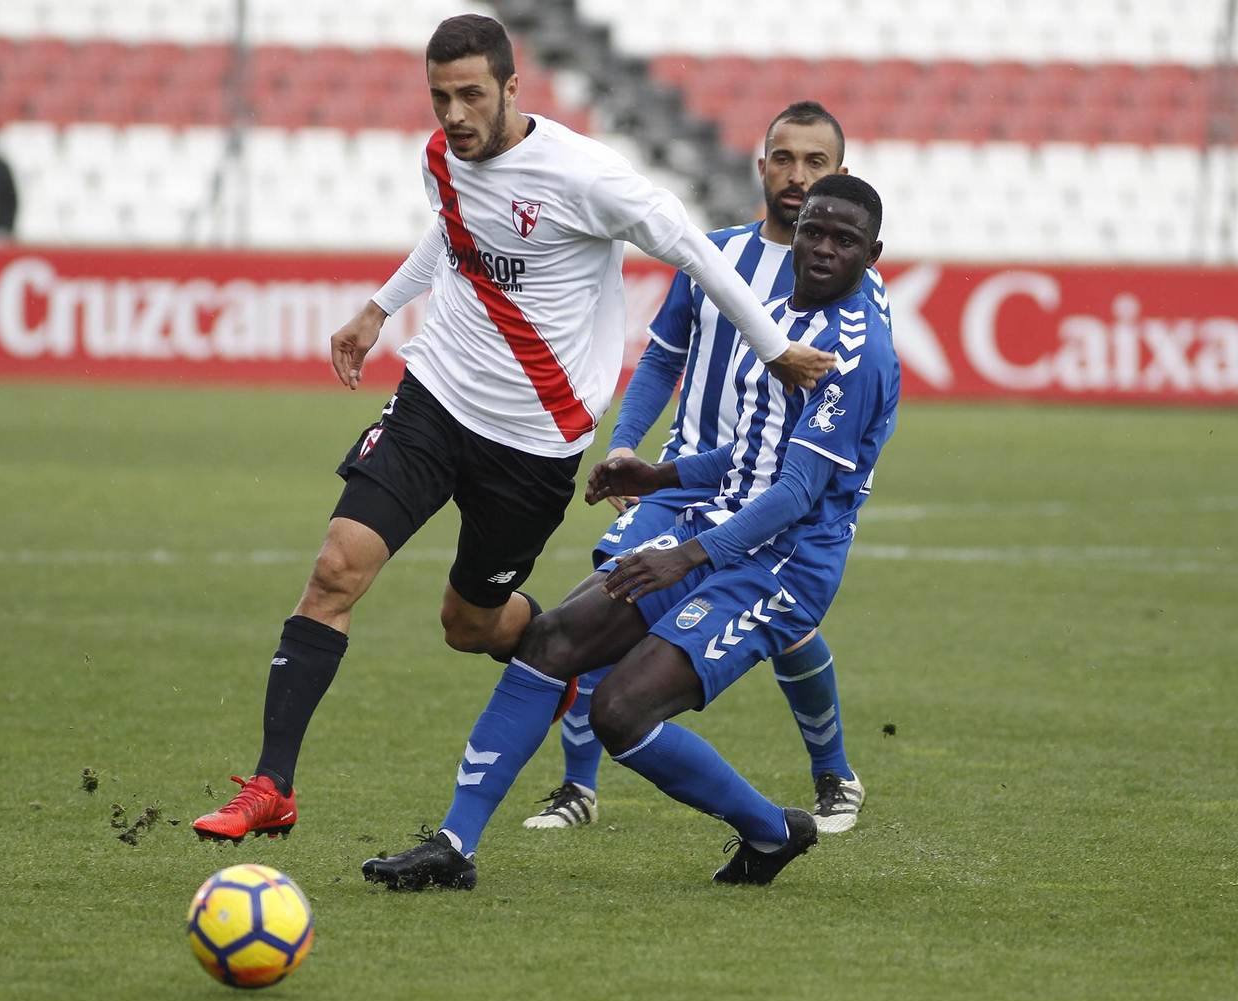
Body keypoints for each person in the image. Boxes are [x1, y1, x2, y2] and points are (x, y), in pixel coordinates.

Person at [192, 14, 834, 843]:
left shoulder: (584, 176)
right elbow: (453, 227)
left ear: (510, 89)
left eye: (470, 96)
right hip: (436, 395)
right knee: (335, 569)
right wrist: (379, 309)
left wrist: (775, 347)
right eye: (439, 97)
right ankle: (272, 785)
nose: (453, 115)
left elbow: (693, 250)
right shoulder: (442, 158)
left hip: (532, 444)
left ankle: (559, 650)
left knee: (470, 627)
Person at [363, 174, 898, 890]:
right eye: (815, 232)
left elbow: (798, 492)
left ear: (873, 253)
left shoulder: (858, 350)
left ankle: (772, 832)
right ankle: (453, 845)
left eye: (846, 240)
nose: (825, 248)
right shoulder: (774, 315)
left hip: (781, 567)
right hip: (718, 528)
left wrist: (687, 555)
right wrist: (659, 477)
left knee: (620, 712)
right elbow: (751, 458)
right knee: (553, 642)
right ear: (795, 233)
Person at [524, 101, 884, 834]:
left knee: (785, 630)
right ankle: (577, 786)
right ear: (761, 165)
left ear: (838, 176)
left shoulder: (851, 292)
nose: (796, 174)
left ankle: (832, 773)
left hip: (776, 494)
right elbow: (663, 356)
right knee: (609, 602)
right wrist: (630, 445)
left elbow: (851, 402)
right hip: (687, 479)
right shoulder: (712, 254)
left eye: (815, 163)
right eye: (784, 158)